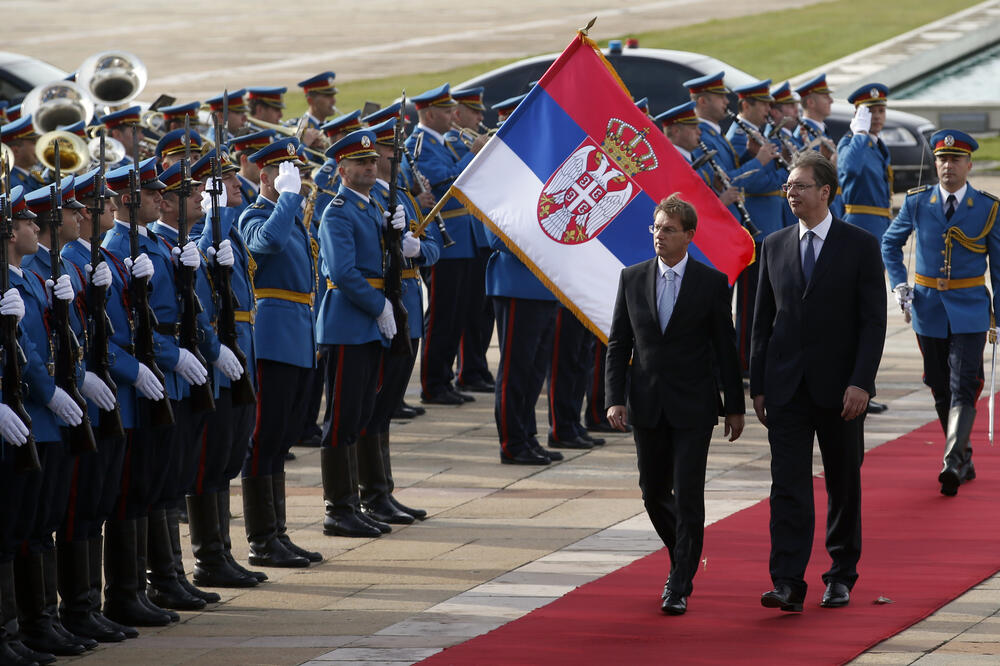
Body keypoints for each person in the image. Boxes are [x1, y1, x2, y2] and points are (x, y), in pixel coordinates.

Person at [751, 152, 886, 612]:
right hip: (787, 388)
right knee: (787, 485)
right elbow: (761, 321)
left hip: (841, 390)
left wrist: (862, 382)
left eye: (801, 186)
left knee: (842, 482)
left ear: (825, 191)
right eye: (788, 186)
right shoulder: (773, 245)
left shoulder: (860, 245)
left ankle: (841, 573)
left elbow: (873, 322)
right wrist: (759, 384)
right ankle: (787, 580)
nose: (791, 193)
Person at [605, 193, 744, 616]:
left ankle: (679, 583)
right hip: (647, 403)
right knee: (652, 492)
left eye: (668, 229)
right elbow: (618, 343)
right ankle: (684, 551)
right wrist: (613, 398)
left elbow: (726, 349)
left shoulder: (711, 283)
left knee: (687, 495)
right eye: (656, 228)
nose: (659, 236)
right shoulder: (632, 278)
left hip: (693, 406)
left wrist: (734, 406)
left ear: (689, 235)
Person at [882, 130, 999, 496]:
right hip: (928, 308)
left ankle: (950, 461)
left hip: (969, 308)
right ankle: (963, 455)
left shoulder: (987, 207)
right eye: (942, 159)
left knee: (964, 381)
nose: (948, 166)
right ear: (935, 163)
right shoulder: (918, 202)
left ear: (969, 165)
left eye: (956, 159)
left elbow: (999, 265)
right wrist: (900, 284)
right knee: (937, 382)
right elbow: (890, 242)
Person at [238, 137, 317, 568]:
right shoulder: (255, 213)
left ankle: (278, 534)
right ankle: (261, 539)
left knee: (282, 439)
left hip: (298, 336)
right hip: (272, 338)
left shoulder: (292, 216)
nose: (295, 179)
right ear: (265, 176)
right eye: (285, 172)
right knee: (263, 439)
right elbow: (263, 245)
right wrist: (286, 198)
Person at [406, 83, 487, 405]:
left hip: (463, 237)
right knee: (441, 314)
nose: (453, 115)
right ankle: (433, 383)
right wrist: (473, 152)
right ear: (428, 113)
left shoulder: (445, 141)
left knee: (458, 313)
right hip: (443, 239)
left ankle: (446, 379)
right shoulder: (422, 144)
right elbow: (445, 184)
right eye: (444, 110)